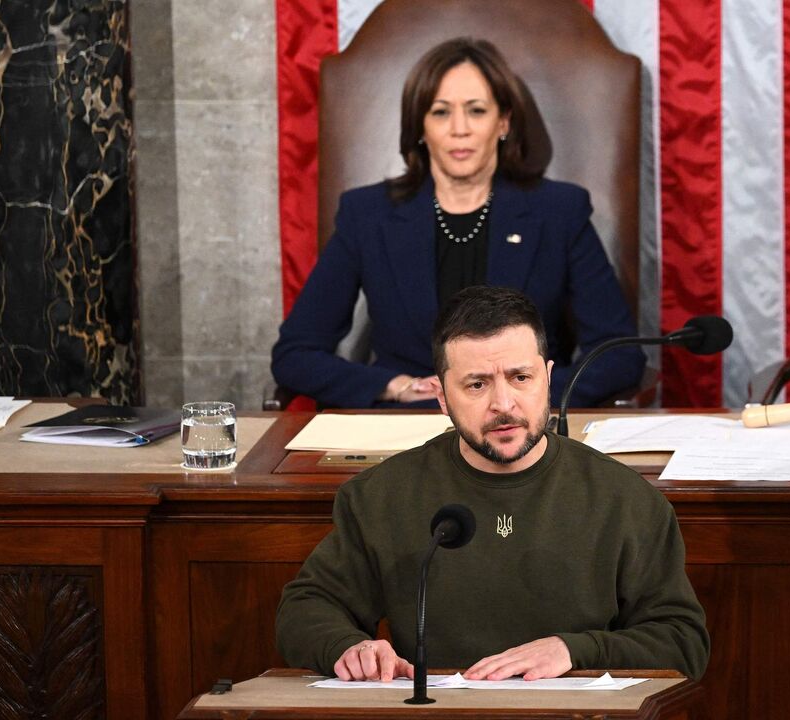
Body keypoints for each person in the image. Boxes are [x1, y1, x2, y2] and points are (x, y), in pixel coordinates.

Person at [276, 286, 709, 682]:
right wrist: (350, 647)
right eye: (477, 384)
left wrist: (574, 651)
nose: (503, 405)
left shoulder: (625, 498)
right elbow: (306, 609)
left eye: (521, 378)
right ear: (442, 396)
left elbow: (684, 643)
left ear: (548, 376)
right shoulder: (381, 495)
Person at [271, 38, 644, 409]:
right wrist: (393, 385)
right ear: (420, 126)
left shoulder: (559, 211)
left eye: (477, 110)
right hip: (407, 430)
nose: (459, 129)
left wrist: (523, 393)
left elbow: (618, 355)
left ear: (503, 122)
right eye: (440, 112)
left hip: (523, 425)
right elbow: (296, 353)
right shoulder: (367, 214)